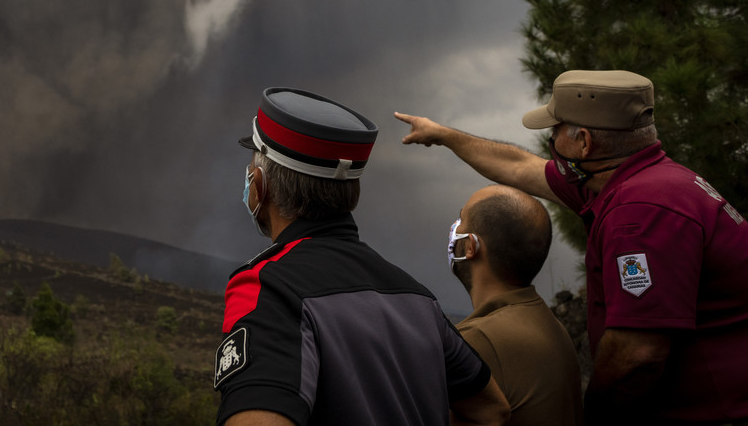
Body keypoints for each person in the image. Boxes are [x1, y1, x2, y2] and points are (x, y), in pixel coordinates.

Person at [396, 69, 748, 425]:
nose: (550, 139)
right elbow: (518, 167)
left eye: (555, 130)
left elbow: (638, 354)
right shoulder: (636, 179)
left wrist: (591, 416)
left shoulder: (640, 212)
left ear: (583, 142)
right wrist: (443, 135)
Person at [216, 87, 509, 426]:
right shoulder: (416, 297)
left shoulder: (268, 287)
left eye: (251, 169)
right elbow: (492, 410)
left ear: (261, 185)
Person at [449, 184, 583, 426]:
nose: (454, 228)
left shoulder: (478, 341)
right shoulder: (545, 321)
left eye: (461, 219)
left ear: (471, 247)